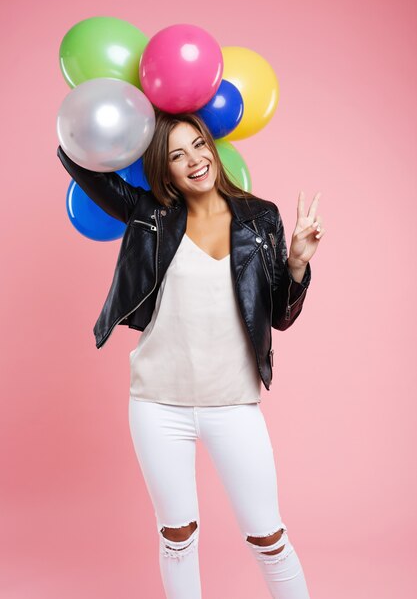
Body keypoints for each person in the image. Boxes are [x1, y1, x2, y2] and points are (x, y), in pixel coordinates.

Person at [57, 110, 324, 599]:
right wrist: (106, 118)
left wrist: (297, 263)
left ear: (213, 147)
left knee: (268, 537)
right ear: (165, 169)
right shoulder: (150, 214)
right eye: (177, 155)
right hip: (159, 403)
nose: (194, 161)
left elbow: (279, 316)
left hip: (233, 404)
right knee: (177, 538)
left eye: (199, 145)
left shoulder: (260, 217)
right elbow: (80, 161)